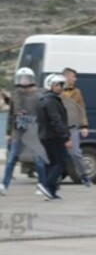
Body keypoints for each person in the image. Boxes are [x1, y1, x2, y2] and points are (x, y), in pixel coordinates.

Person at [1, 67, 48, 196]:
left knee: (38, 160)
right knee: (11, 159)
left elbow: (43, 113)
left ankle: (43, 185)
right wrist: (8, 133)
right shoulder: (15, 94)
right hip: (18, 129)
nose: (24, 80)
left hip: (34, 130)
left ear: (31, 79)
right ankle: (4, 185)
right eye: (22, 78)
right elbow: (11, 115)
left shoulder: (39, 93)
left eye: (26, 78)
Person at [37, 73, 72, 200]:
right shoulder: (51, 101)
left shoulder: (45, 99)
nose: (60, 87)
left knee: (52, 164)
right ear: (50, 85)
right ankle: (46, 186)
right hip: (53, 137)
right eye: (57, 85)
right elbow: (56, 120)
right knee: (61, 163)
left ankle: (50, 193)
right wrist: (65, 137)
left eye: (62, 85)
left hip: (46, 136)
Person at [61, 67, 92, 187]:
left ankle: (84, 175)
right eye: (73, 76)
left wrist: (84, 125)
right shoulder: (58, 91)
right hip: (59, 126)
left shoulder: (77, 92)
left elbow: (81, 108)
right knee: (57, 153)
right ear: (66, 76)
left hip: (72, 126)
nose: (75, 79)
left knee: (75, 153)